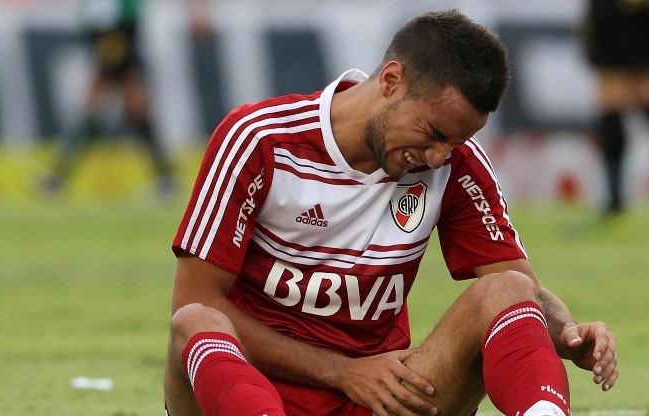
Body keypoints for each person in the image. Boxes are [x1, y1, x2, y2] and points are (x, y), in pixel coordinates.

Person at [165, 10, 619, 416]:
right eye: (433, 132)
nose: (439, 157)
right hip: (248, 388)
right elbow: (196, 302)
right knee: (194, 323)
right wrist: (342, 372)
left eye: (454, 143)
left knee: (508, 289)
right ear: (390, 81)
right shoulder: (258, 140)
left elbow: (524, 294)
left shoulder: (456, 163)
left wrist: (568, 333)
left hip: (380, 395)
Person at [40, 0, 176, 199]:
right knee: (118, 110)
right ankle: (165, 178)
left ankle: (57, 178)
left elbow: (129, 18)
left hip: (119, 41)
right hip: (109, 42)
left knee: (127, 109)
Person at [581, 0, 649, 217]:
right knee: (611, 133)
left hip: (640, 61)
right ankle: (614, 200)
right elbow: (594, 23)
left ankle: (614, 202)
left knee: (612, 132)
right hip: (611, 62)